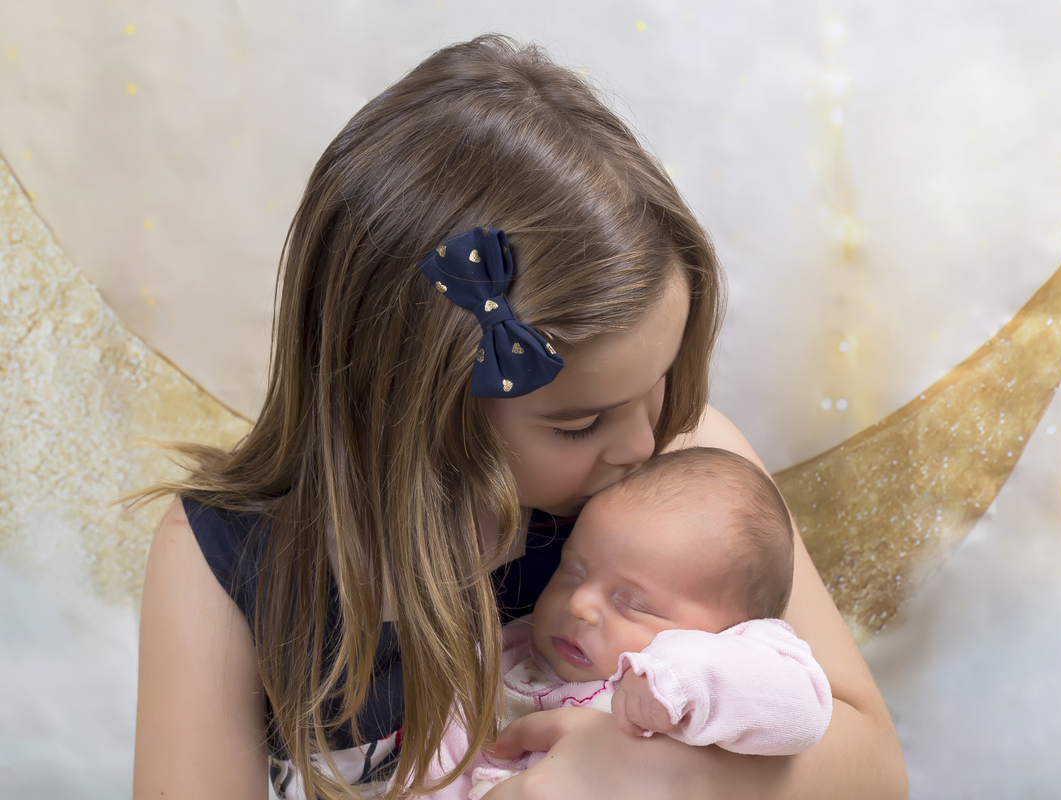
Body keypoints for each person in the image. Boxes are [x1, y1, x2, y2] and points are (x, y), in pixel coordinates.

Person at [132, 34, 908, 800]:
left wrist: (656, 779)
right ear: (411, 411)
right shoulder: (223, 560)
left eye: (662, 380)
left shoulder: (684, 471)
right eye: (579, 425)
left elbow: (873, 769)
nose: (642, 443)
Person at [421, 446, 834, 799]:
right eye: (573, 571)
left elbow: (806, 707)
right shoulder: (502, 660)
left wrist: (678, 677)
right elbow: (435, 769)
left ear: (727, 632)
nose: (580, 603)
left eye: (632, 602)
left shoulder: (726, 671)